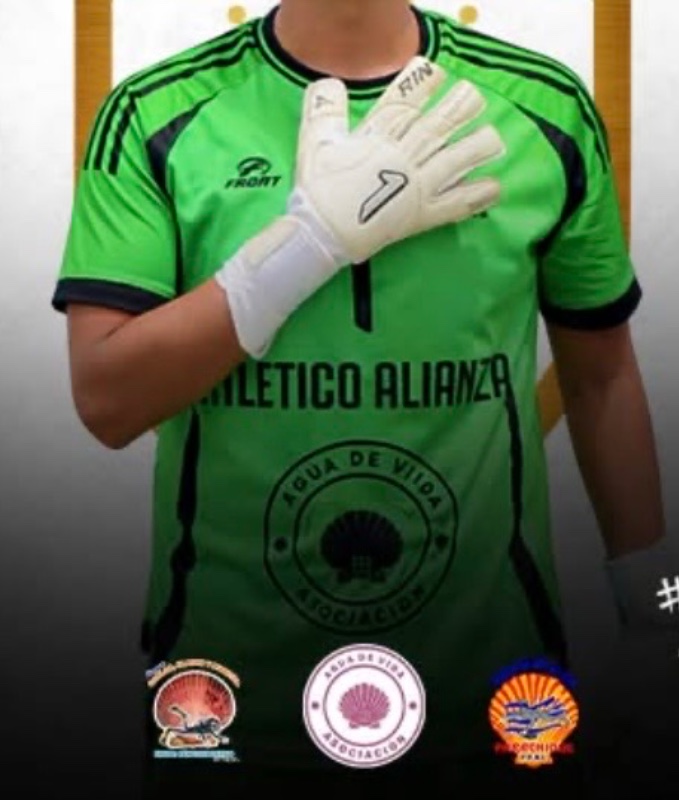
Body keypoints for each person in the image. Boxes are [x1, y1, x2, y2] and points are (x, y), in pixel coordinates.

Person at [52, 0, 674, 797]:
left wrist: (660, 620)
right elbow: (107, 401)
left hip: (501, 704)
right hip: (225, 709)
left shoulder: (543, 108)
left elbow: (602, 377)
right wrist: (308, 246)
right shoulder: (154, 114)